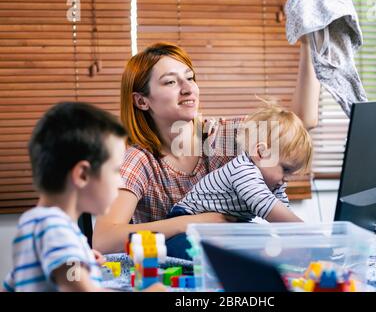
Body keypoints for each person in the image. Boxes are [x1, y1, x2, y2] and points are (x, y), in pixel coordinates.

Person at [93, 36, 320, 259]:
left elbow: (299, 122)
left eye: (190, 78)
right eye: (171, 82)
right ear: (142, 101)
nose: (187, 88)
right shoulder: (139, 160)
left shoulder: (226, 136)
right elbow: (104, 240)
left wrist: (310, 41)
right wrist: (190, 223)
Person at [2, 102, 165, 292]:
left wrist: (81, 260)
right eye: (115, 171)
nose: (121, 182)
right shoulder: (55, 228)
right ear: (82, 175)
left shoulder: (34, 224)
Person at [167, 99, 312, 222]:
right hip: (188, 217)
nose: (287, 179)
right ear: (260, 153)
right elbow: (266, 205)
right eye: (285, 169)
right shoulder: (243, 169)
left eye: (291, 173)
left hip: (225, 223)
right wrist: (304, 231)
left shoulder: (275, 183)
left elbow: (284, 213)